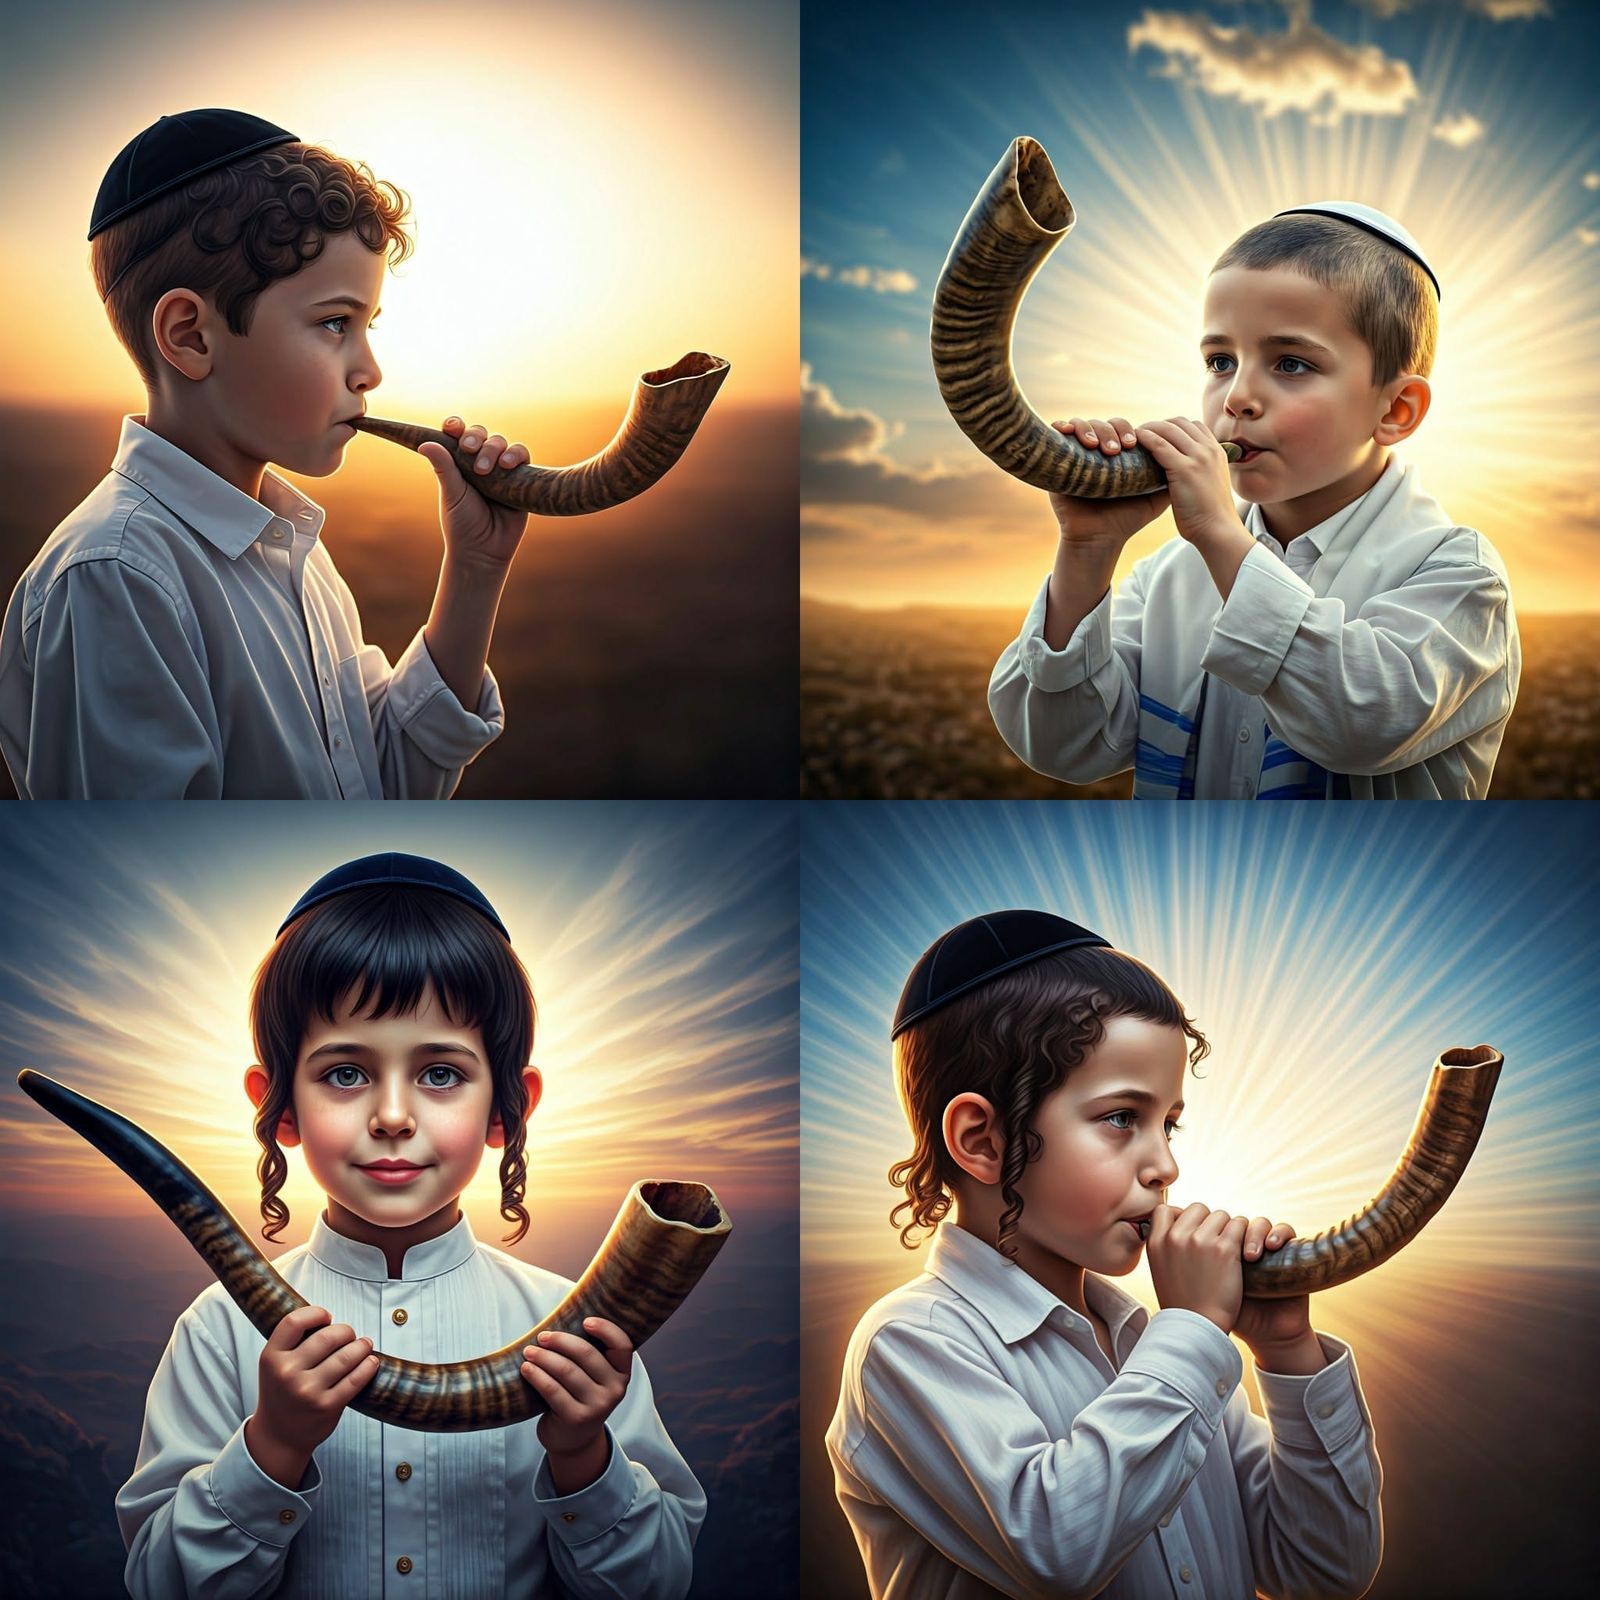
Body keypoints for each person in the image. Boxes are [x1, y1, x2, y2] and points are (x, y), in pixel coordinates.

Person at [117, 853, 703, 1600]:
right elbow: (155, 1586)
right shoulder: (217, 1332)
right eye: (345, 1074)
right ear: (280, 1106)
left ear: (506, 1109)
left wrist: (584, 1454)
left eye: (440, 1074)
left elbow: (663, 1585)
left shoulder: (576, 1338)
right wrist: (271, 1447)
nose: (392, 1116)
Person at [828, 910, 1383, 1599]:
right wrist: (1195, 1334)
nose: (1165, 1166)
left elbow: (1323, 1572)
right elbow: (1058, 1551)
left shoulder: (1159, 1346)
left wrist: (1288, 1349)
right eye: (1122, 1118)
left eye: (1169, 1123)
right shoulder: (909, 1343)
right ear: (981, 1140)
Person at [0, 109, 530, 798]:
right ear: (191, 336)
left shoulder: (296, 557)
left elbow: (387, 788)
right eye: (335, 323)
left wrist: (476, 566)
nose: (369, 370)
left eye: (366, 326)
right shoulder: (118, 579)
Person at [988, 203, 1519, 799]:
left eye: (1291, 364)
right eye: (1220, 361)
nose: (1236, 396)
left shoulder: (1460, 577)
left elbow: (1359, 723)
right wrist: (1088, 549)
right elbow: (1063, 747)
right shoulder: (1166, 577)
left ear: (1395, 411)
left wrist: (1219, 532)